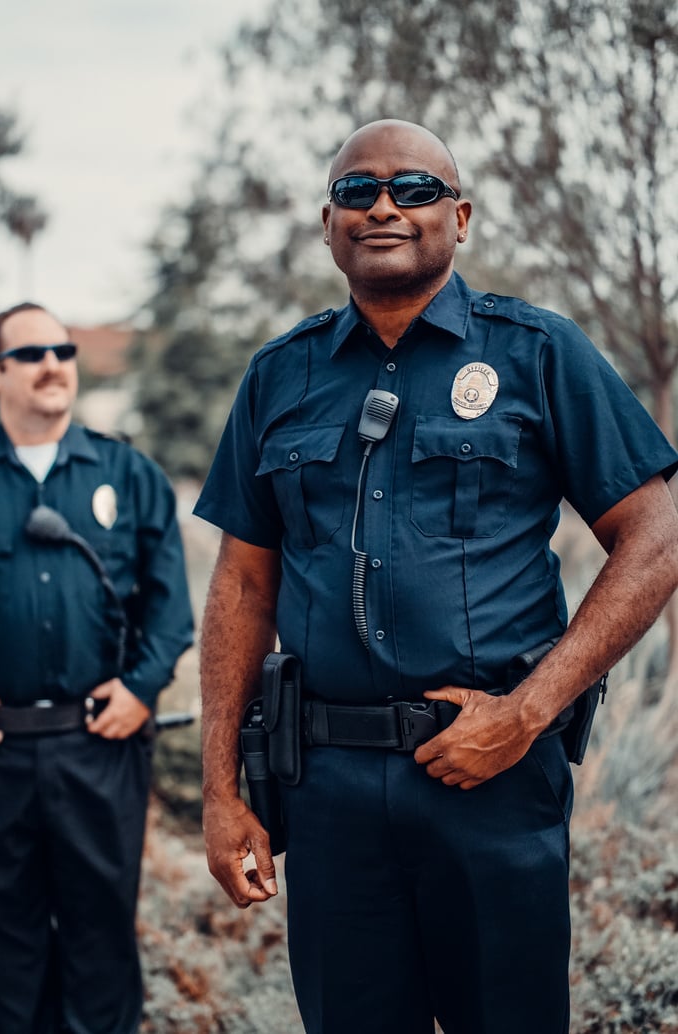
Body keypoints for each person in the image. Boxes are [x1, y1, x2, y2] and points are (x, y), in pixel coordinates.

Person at [193, 119, 678, 1034]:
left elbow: (655, 537)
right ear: (327, 224)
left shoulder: (538, 353)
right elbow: (242, 589)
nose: (383, 206)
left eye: (413, 190)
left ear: (459, 217)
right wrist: (220, 794)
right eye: (356, 191)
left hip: (489, 777)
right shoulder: (278, 376)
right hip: (327, 789)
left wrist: (528, 712)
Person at [0, 302, 194, 1034]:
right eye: (31, 354)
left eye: (63, 350)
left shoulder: (130, 477)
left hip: (99, 751)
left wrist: (139, 687)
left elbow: (169, 611)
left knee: (100, 951)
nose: (53, 364)